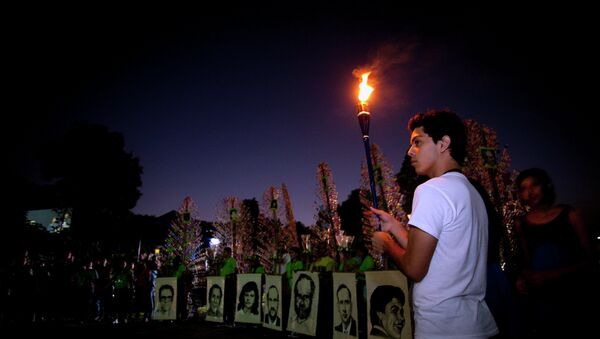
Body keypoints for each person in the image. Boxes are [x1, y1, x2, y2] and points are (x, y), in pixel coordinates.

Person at [370, 109, 498, 338]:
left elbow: (415, 269)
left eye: (417, 142)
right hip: (477, 324)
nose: (410, 151)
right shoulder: (471, 192)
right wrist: (394, 227)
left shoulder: (431, 190)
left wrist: (387, 244)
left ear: (443, 143)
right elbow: (438, 253)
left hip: (443, 328)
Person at [514, 167, 597, 336]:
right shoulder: (520, 224)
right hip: (544, 301)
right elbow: (526, 260)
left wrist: (552, 275)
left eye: (534, 185)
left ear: (546, 186)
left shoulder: (570, 215)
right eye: (523, 188)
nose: (530, 192)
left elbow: (591, 260)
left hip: (576, 296)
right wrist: (522, 278)